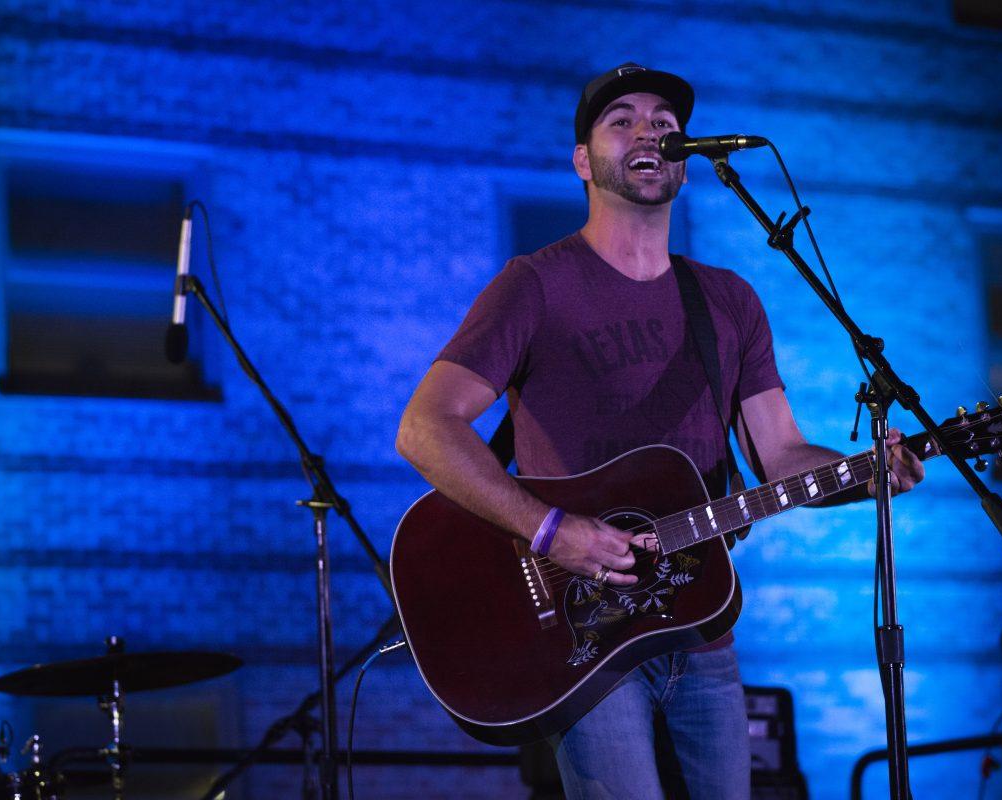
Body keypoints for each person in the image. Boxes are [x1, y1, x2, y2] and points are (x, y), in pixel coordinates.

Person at [396, 63, 926, 800]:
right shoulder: (537, 284)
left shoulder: (728, 301)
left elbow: (780, 456)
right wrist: (554, 531)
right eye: (622, 119)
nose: (650, 129)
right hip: (582, 638)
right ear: (584, 161)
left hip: (701, 628)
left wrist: (865, 470)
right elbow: (426, 427)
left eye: (664, 122)